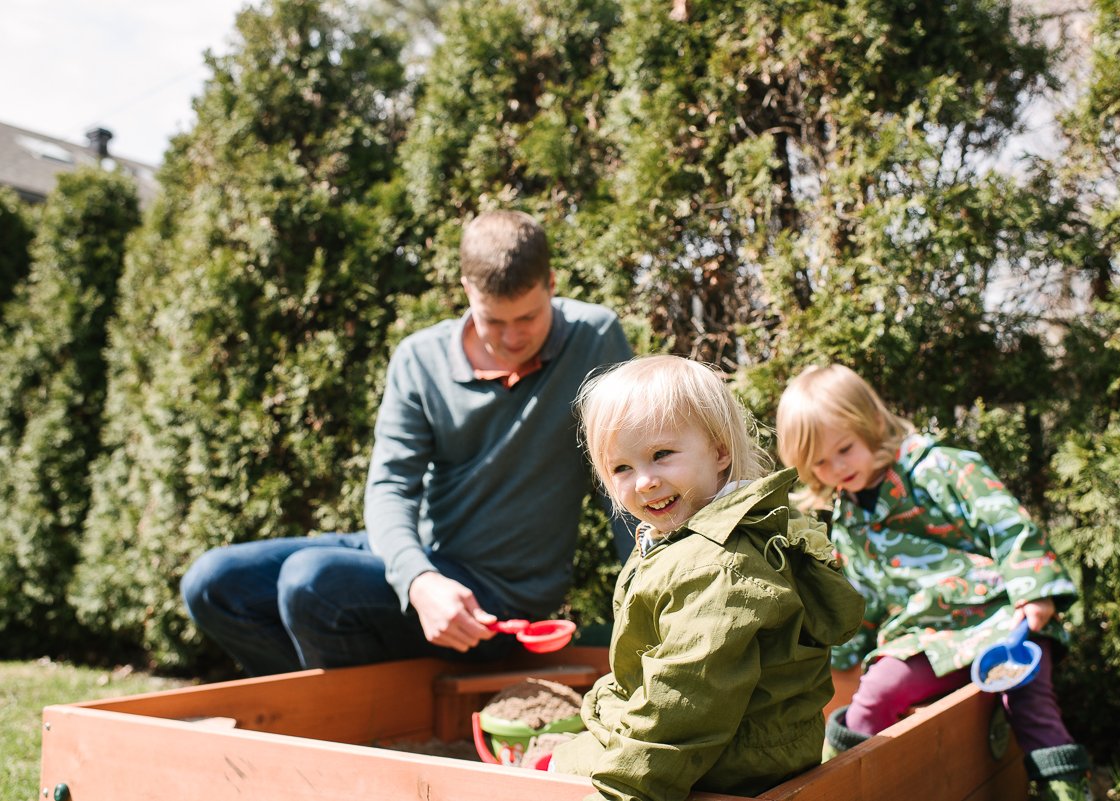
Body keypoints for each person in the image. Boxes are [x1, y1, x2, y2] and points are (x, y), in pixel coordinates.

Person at [181, 210, 634, 676]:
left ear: (552, 283)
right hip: (423, 561)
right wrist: (419, 579)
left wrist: (649, 589)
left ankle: (348, 722)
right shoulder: (420, 359)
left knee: (311, 582)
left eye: (528, 317)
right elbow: (390, 489)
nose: (512, 336)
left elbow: (624, 474)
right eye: (492, 320)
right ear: (466, 292)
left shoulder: (593, 338)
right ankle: (329, 709)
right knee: (213, 582)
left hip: (498, 599)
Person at [551, 355, 865, 801]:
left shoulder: (716, 564)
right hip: (743, 744)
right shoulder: (687, 538)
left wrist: (621, 791)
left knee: (555, 768)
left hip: (731, 762)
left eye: (662, 455)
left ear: (720, 452)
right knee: (568, 749)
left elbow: (684, 703)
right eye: (622, 468)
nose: (644, 482)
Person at [775, 364, 1091, 801]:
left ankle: (1065, 791)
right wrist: (841, 655)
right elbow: (860, 597)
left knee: (1029, 702)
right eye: (820, 463)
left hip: (997, 616)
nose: (836, 468)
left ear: (872, 423)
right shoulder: (849, 522)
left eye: (844, 448)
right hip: (926, 635)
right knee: (874, 694)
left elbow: (1005, 522)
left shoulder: (937, 467)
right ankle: (837, 786)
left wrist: (1034, 590)